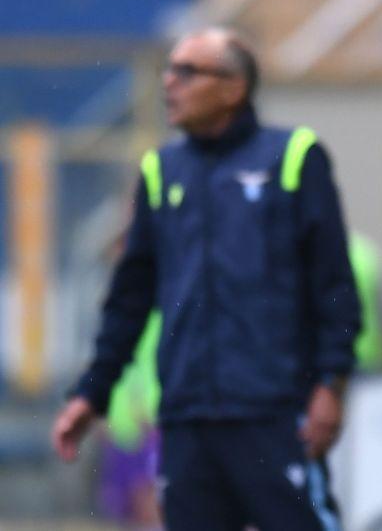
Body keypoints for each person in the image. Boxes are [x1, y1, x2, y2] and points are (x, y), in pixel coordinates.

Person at [51, 28, 361, 530]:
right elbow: (130, 298)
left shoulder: (295, 156)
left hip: (276, 414)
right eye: (168, 70)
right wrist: (93, 391)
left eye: (187, 71)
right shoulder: (161, 170)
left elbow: (334, 286)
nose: (169, 83)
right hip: (187, 419)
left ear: (235, 88)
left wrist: (331, 384)